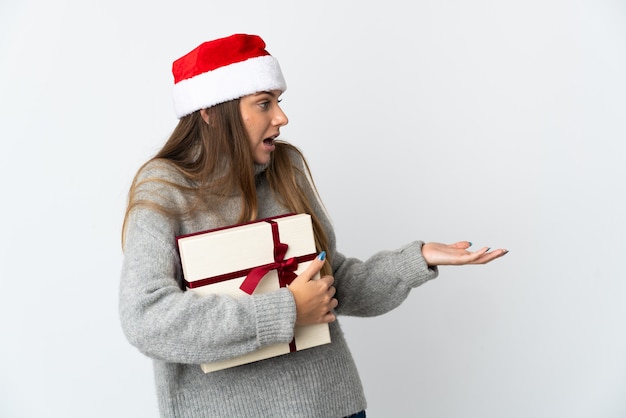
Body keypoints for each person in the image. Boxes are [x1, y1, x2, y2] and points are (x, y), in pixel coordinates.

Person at [119, 33, 508, 418]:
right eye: (264, 103)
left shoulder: (285, 170)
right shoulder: (165, 189)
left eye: (278, 102)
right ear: (210, 112)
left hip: (332, 405)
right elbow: (147, 319)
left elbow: (330, 283)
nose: (281, 117)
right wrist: (285, 311)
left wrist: (415, 260)